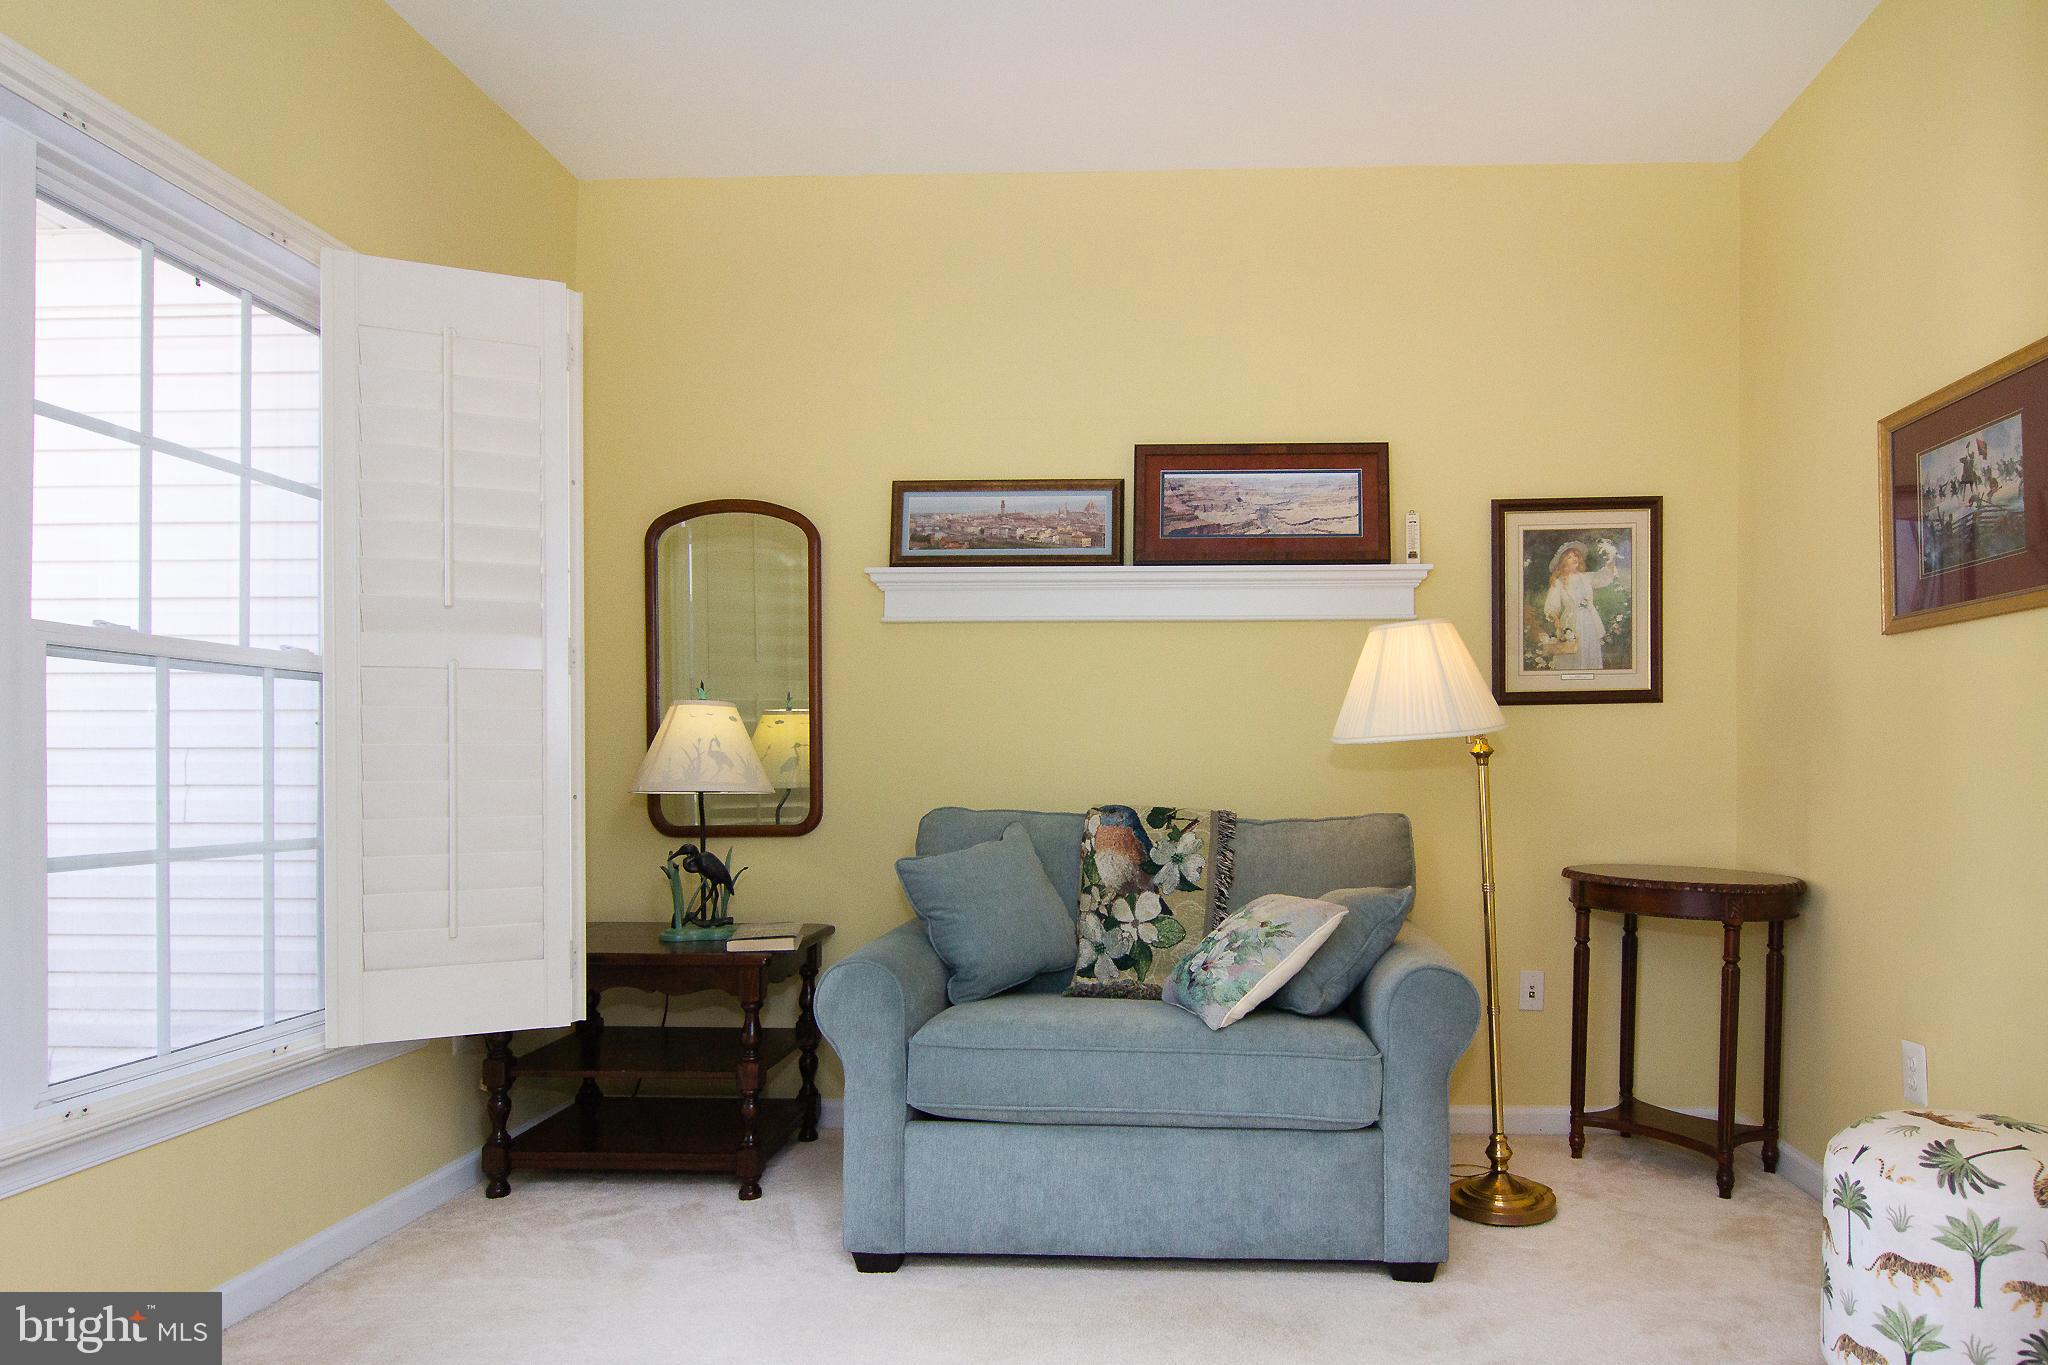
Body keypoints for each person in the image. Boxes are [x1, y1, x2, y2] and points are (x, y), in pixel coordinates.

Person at [1541, 539, 1619, 670]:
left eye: (1576, 555)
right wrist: (1556, 620)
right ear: (1563, 562)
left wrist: (1611, 560)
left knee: (1588, 649)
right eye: (1569, 557)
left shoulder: (1586, 577)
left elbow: (1603, 577)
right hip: (1570, 622)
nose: (1574, 559)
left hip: (1589, 621)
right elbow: (1552, 606)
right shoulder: (1559, 582)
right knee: (1572, 652)